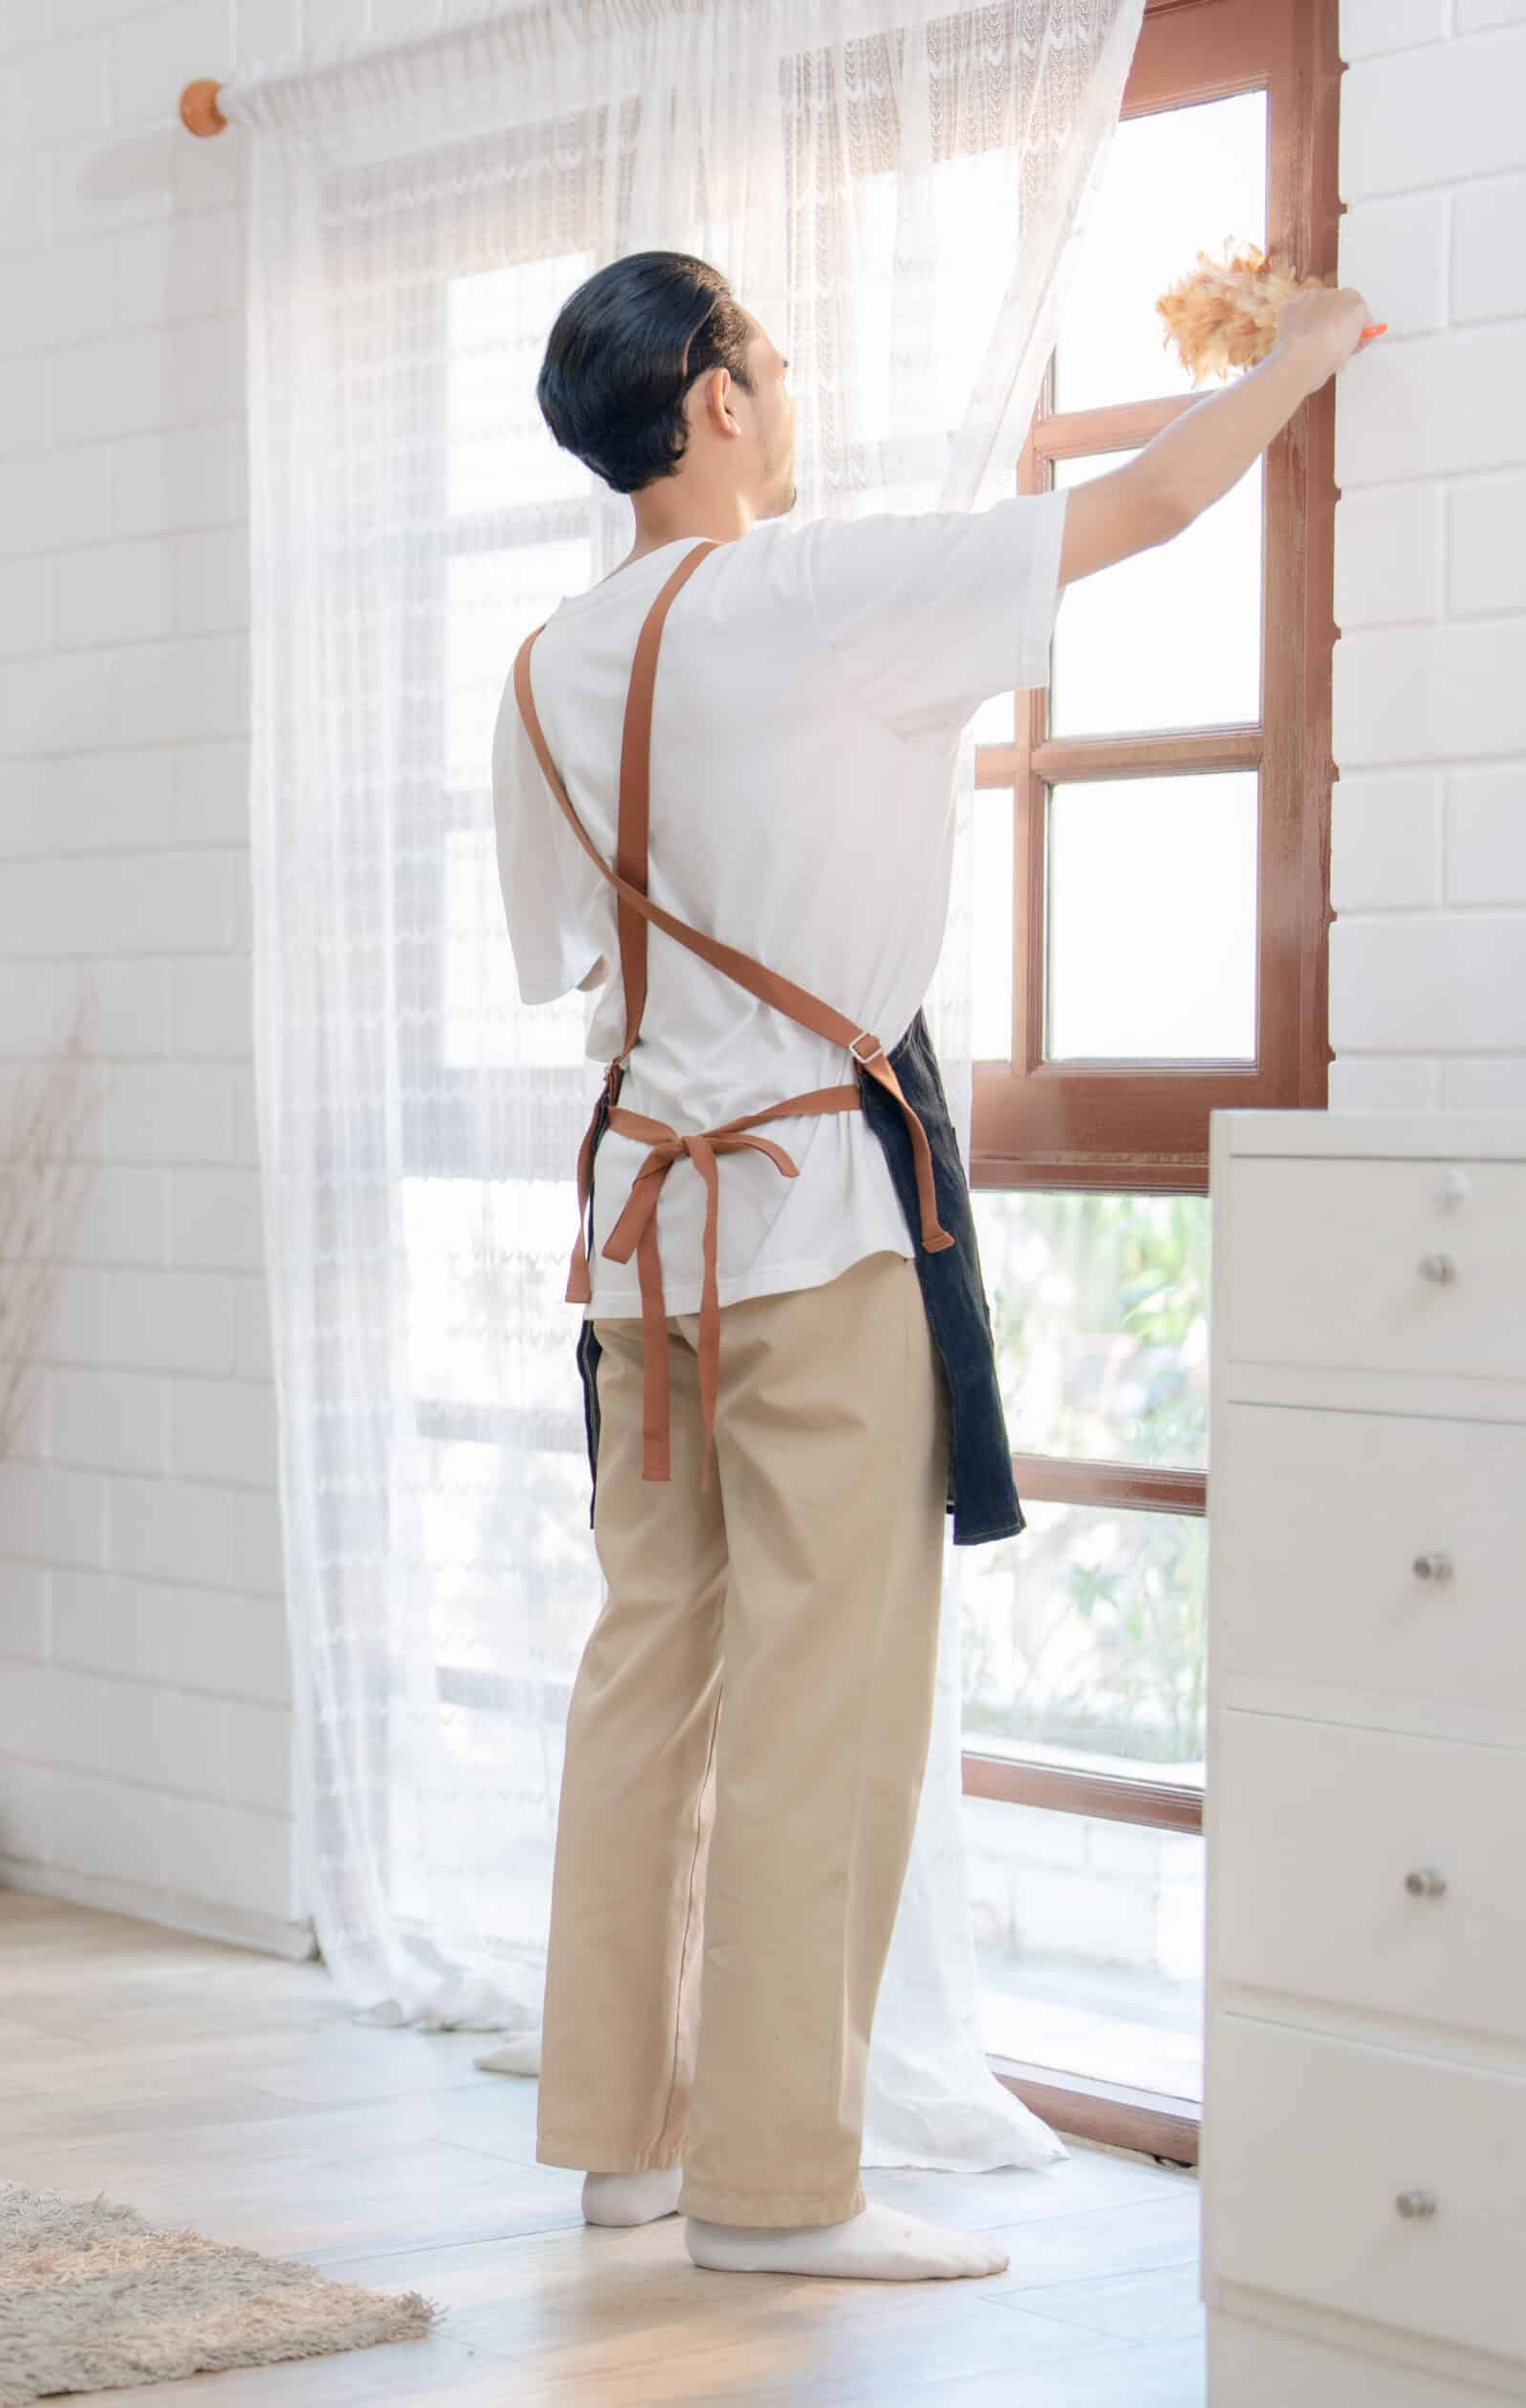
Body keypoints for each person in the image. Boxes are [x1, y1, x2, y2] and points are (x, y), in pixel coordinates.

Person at [491, 249, 1377, 2283]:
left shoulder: (542, 663)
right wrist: (1309, 353)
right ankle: (775, 2189)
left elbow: (575, 966)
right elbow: (1139, 508)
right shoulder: (807, 593)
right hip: (807, 1222)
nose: (783, 389)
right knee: (824, 1698)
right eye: (768, 359)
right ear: (709, 399)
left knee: (650, 1675)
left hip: (638, 1237)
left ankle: (619, 2144)